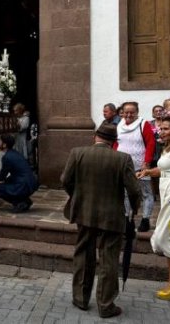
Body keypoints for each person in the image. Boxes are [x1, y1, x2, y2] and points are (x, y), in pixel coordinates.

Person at [61, 123, 140, 318]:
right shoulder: (123, 158)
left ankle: (80, 298)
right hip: (112, 215)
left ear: (95, 136)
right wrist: (134, 210)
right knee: (109, 259)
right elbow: (134, 190)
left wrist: (77, 196)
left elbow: (65, 180)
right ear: (114, 142)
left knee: (83, 255)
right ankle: (105, 305)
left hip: (84, 212)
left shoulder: (77, 153)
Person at [137, 115, 170, 299]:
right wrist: (148, 171)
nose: (162, 132)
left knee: (164, 237)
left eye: (166, 129)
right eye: (161, 129)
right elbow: (166, 169)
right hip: (169, 190)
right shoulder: (168, 146)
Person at [114, 102, 156, 232]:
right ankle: (127, 220)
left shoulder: (144, 124)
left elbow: (150, 143)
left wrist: (147, 162)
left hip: (141, 166)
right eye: (126, 112)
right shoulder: (119, 125)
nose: (128, 114)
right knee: (125, 194)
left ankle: (145, 220)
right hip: (123, 165)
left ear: (137, 112)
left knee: (146, 193)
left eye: (132, 112)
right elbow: (116, 143)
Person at [0, 134, 38, 212]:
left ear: (4, 145)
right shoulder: (15, 153)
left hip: (24, 185)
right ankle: (24, 200)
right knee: (7, 183)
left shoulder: (7, 157)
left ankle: (19, 203)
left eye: (0, 142)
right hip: (31, 183)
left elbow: (2, 177)